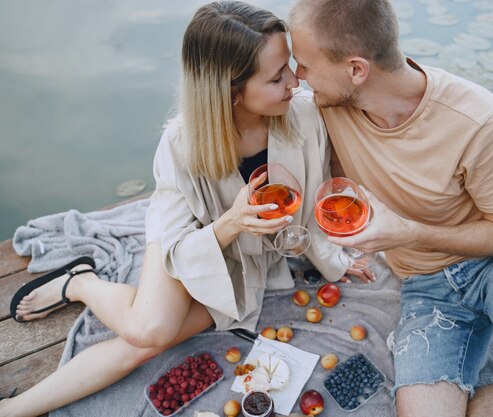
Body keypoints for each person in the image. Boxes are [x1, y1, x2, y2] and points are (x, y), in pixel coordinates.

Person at [0, 2, 372, 416]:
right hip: (190, 244)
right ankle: (81, 282)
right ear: (232, 91)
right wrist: (229, 225)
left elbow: (319, 193)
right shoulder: (180, 147)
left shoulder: (302, 116)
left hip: (241, 258)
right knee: (148, 330)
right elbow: (176, 243)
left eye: (290, 65)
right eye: (276, 76)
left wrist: (332, 257)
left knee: (145, 344)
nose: (295, 81)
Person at [288, 1, 493, 417]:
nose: (296, 77)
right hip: (425, 285)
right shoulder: (327, 105)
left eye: (304, 64)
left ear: (356, 70)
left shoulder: (479, 119)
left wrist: (407, 234)